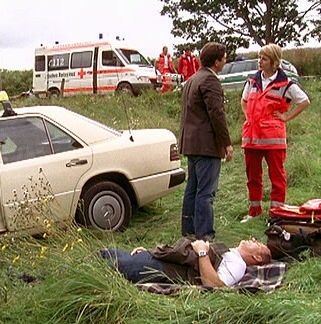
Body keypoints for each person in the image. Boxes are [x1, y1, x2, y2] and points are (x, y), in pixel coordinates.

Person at [240, 44, 310, 223]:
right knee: (252, 177)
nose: (259, 62)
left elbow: (304, 101)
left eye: (264, 58)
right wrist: (249, 117)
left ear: (274, 62)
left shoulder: (286, 84)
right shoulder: (252, 81)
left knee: (277, 177)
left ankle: (277, 213)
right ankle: (254, 211)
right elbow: (244, 100)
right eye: (259, 57)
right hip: (252, 138)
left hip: (273, 139)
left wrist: (286, 117)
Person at [179, 42, 234, 240]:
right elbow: (216, 114)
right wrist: (227, 143)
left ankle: (189, 231)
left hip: (190, 144)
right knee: (205, 192)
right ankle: (204, 234)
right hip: (206, 146)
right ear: (217, 61)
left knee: (192, 190)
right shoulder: (210, 80)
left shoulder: (193, 79)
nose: (226, 60)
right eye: (224, 58)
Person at [100, 238, 271, 287]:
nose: (253, 239)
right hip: (160, 258)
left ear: (256, 258)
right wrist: (150, 251)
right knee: (107, 253)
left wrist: (203, 251)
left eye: (257, 244)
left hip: (164, 268)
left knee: (105, 268)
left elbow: (215, 285)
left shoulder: (238, 264)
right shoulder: (232, 252)